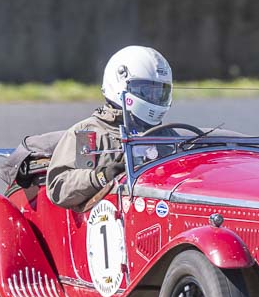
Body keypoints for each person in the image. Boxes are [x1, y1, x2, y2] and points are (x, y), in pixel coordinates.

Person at [46, 45, 174, 209]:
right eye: (146, 91)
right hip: (104, 220)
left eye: (159, 93)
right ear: (120, 85)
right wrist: (101, 176)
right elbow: (60, 188)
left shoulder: (166, 135)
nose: (153, 98)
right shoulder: (89, 133)